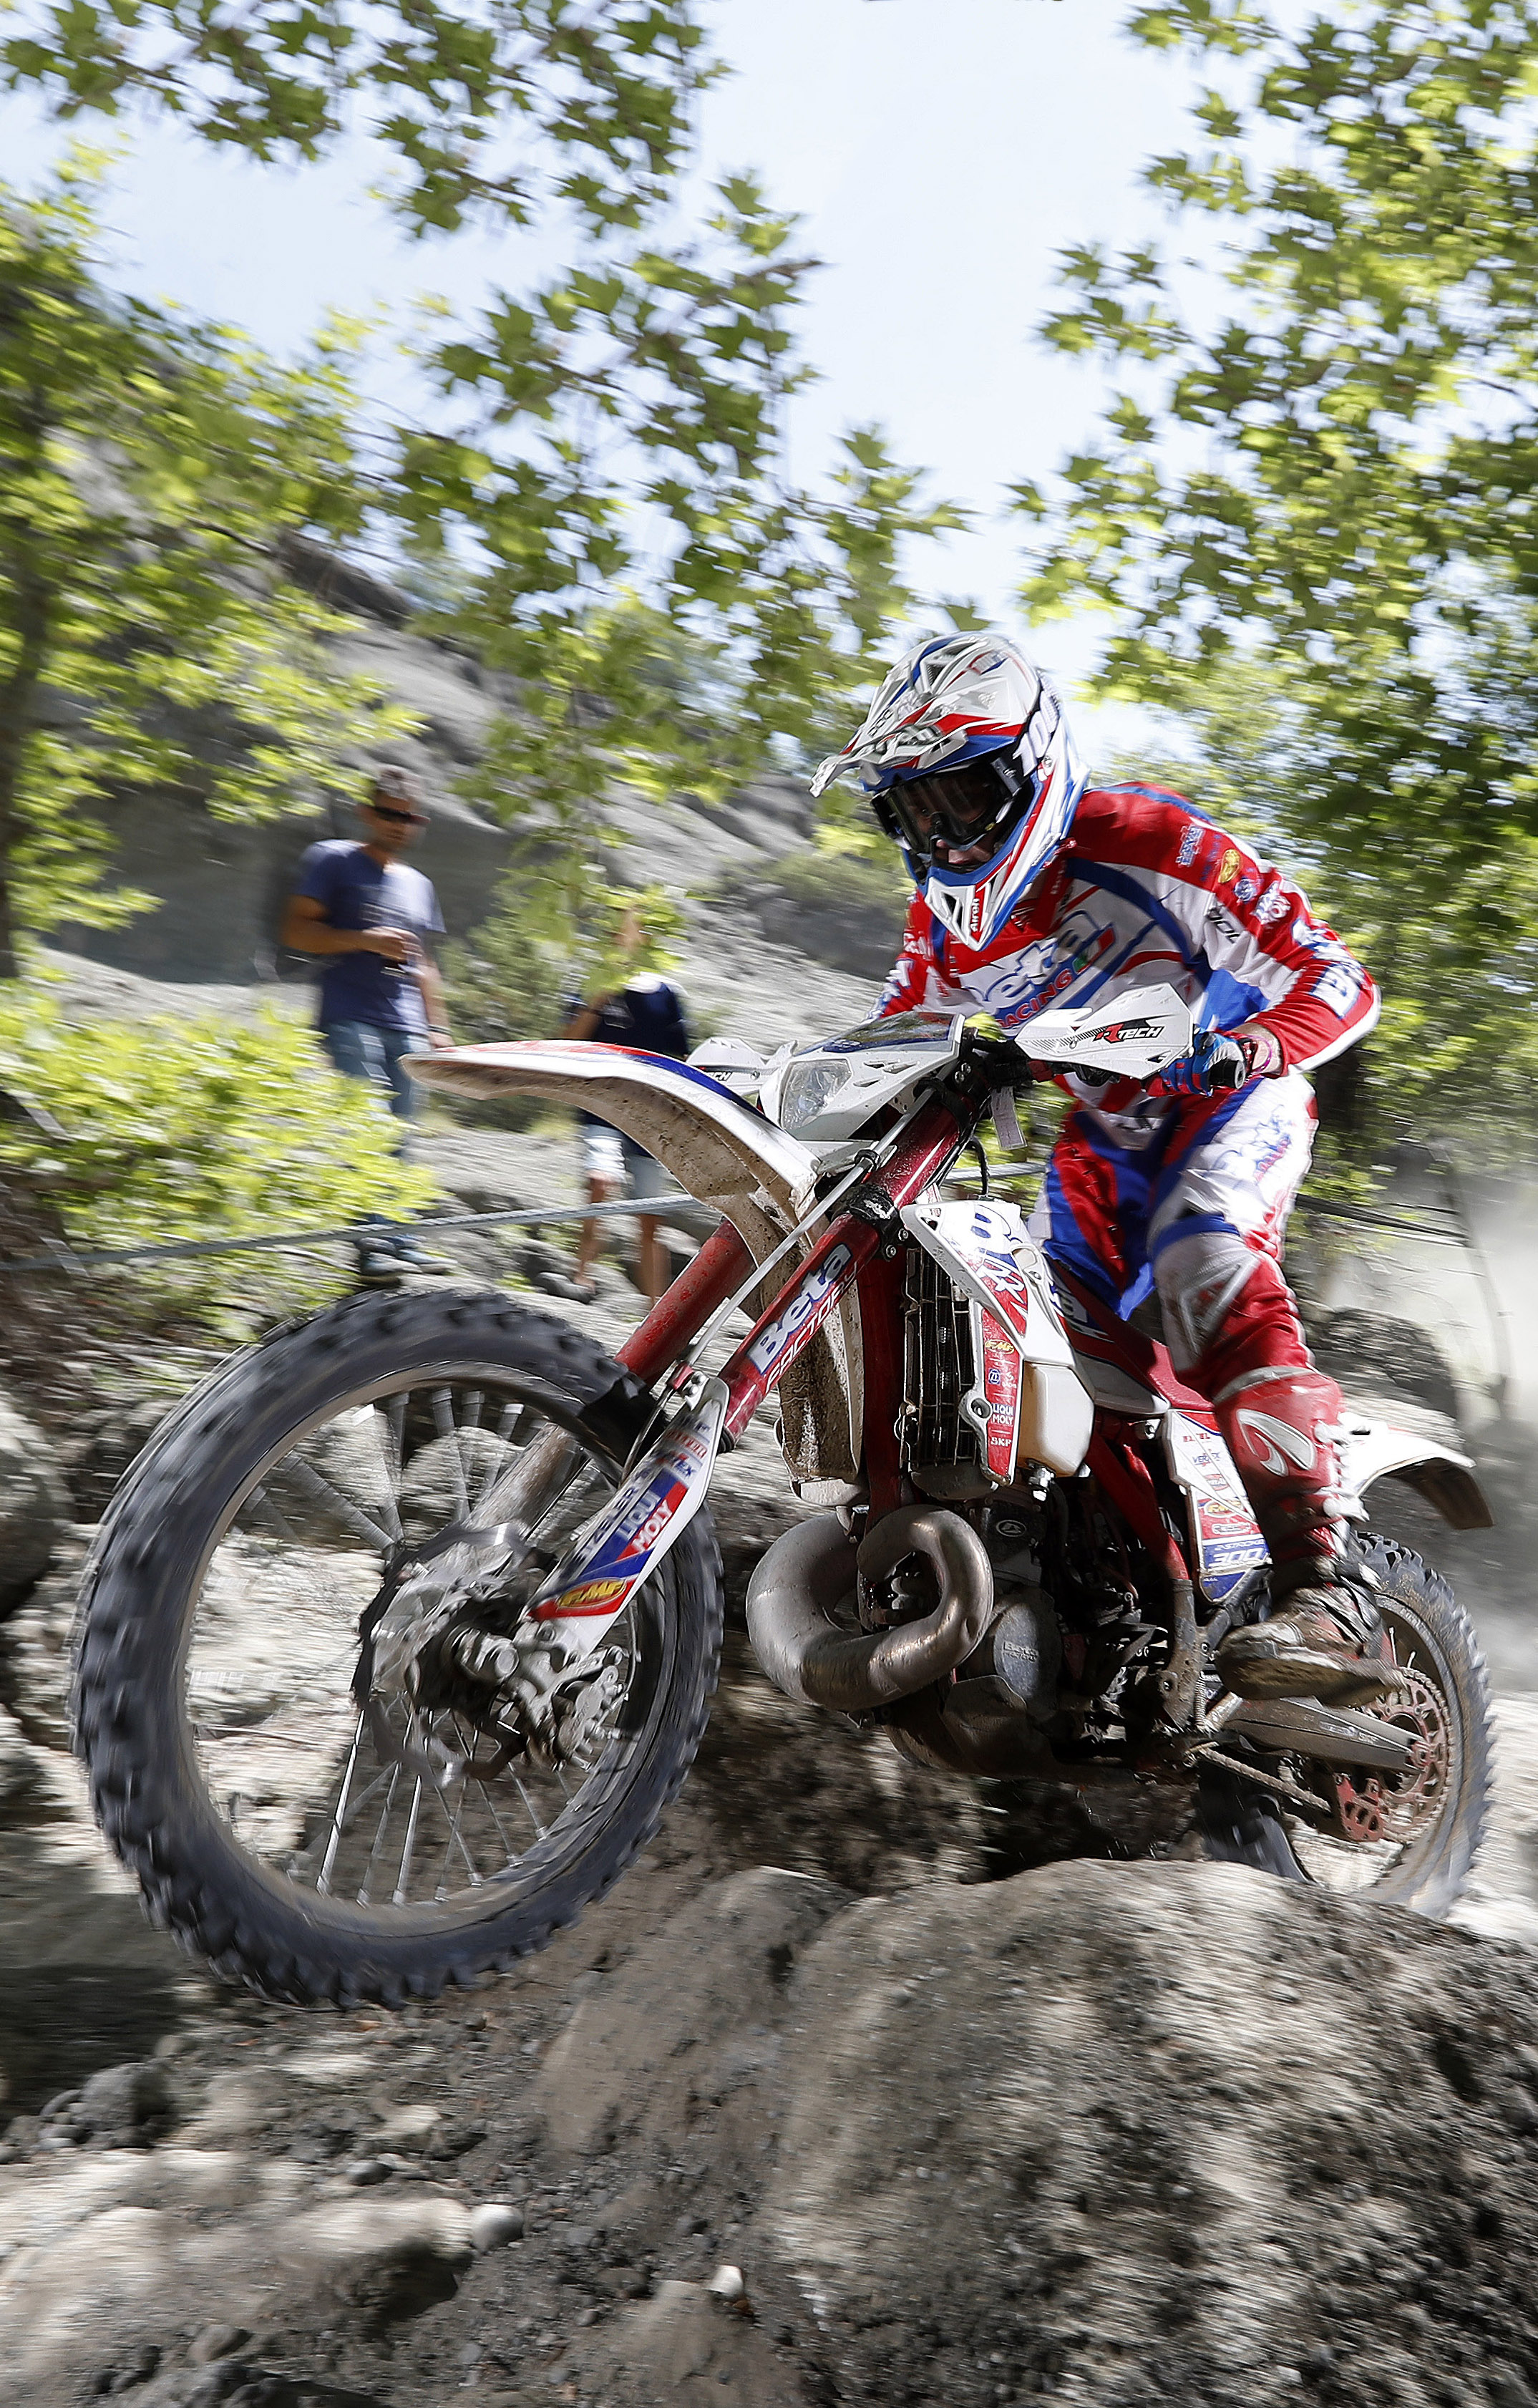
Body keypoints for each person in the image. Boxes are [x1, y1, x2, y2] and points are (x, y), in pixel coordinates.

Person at [812, 632, 1403, 1710]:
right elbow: (892, 1039)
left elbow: (1336, 977)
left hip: (1232, 1099)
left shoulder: (1154, 843)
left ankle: (1327, 1584)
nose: (942, 836)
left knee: (1202, 1254)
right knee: (1037, 1343)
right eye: (915, 812)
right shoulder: (941, 929)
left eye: (962, 799)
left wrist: (1250, 1045)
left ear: (1032, 770)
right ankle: (1109, 1594)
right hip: (1102, 1146)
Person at [281, 764, 455, 1286]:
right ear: (366, 813)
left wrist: (439, 1027)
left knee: (402, 1132)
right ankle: (370, 1247)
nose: (399, 825)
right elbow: (295, 931)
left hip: (407, 1023)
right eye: (389, 814)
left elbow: (425, 962)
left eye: (410, 817)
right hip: (350, 1013)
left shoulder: (419, 884)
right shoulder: (332, 859)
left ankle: (400, 1239)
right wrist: (364, 939)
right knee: (368, 1127)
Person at [558, 912, 691, 1308]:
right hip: (600, 1103)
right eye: (613, 929)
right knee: (600, 1180)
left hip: (650, 1111)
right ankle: (582, 1276)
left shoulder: (666, 992)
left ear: (645, 937)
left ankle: (655, 1305)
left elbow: (682, 1056)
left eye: (629, 928)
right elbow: (567, 1043)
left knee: (650, 1215)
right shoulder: (588, 980)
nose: (620, 936)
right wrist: (597, 1000)